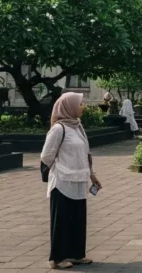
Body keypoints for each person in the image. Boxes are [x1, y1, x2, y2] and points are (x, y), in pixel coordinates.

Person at [41, 92, 100, 270]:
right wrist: (54, 172)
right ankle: (56, 259)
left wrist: (92, 175)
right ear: (69, 107)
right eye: (80, 104)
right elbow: (46, 155)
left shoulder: (78, 127)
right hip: (62, 181)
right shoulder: (59, 129)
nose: (82, 107)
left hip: (79, 179)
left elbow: (85, 154)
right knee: (61, 220)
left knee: (77, 219)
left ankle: (75, 254)